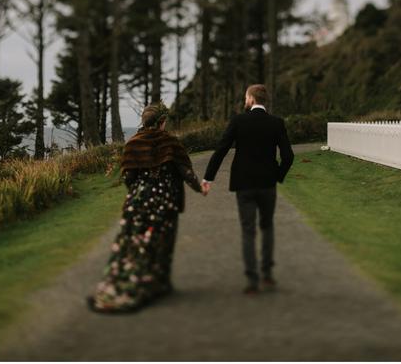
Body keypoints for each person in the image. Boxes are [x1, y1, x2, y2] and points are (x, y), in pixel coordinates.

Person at [87, 101, 205, 313]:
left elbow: (129, 176)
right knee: (160, 242)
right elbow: (185, 171)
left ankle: (117, 287)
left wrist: (137, 193)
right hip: (164, 200)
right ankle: (155, 285)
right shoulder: (170, 142)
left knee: (131, 244)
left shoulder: (134, 143)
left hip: (137, 201)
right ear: (161, 122)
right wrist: (200, 188)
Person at [202, 84, 294, 294]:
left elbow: (221, 150)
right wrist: (277, 175)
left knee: (248, 230)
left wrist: (208, 178)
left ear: (251, 99)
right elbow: (288, 156)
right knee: (267, 227)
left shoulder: (238, 121)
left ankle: (252, 281)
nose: (245, 100)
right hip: (267, 184)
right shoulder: (276, 123)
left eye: (246, 97)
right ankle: (268, 276)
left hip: (243, 184)